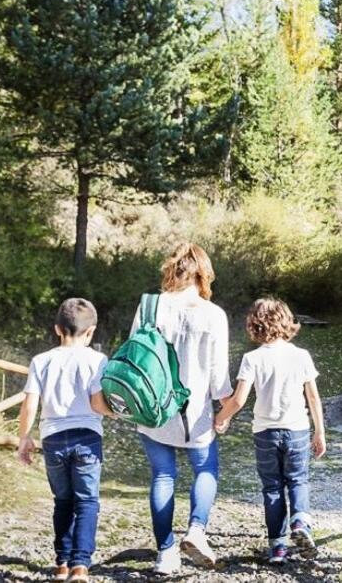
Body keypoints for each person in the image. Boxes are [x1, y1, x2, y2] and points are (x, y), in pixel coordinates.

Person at [134, 243, 233, 574]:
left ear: (171, 270)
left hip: (153, 409)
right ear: (204, 274)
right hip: (196, 412)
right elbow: (219, 379)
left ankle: (165, 553)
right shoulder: (214, 315)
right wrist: (225, 409)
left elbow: (135, 356)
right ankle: (196, 531)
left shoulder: (149, 306)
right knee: (206, 469)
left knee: (163, 475)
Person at [215, 298, 327, 565]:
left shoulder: (252, 359)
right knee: (298, 480)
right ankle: (300, 521)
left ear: (254, 326)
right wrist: (320, 432)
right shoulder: (301, 356)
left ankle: (278, 547)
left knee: (273, 489)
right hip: (297, 429)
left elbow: (240, 400)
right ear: (287, 322)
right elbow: (313, 398)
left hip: (265, 433)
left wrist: (220, 418)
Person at [17, 298, 108, 583]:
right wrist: (116, 413)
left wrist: (24, 438)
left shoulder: (41, 360)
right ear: (91, 331)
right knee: (87, 502)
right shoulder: (97, 360)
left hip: (53, 438)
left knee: (63, 501)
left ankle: (61, 565)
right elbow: (97, 403)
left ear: (58, 328)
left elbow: (30, 404)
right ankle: (81, 566)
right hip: (87, 436)